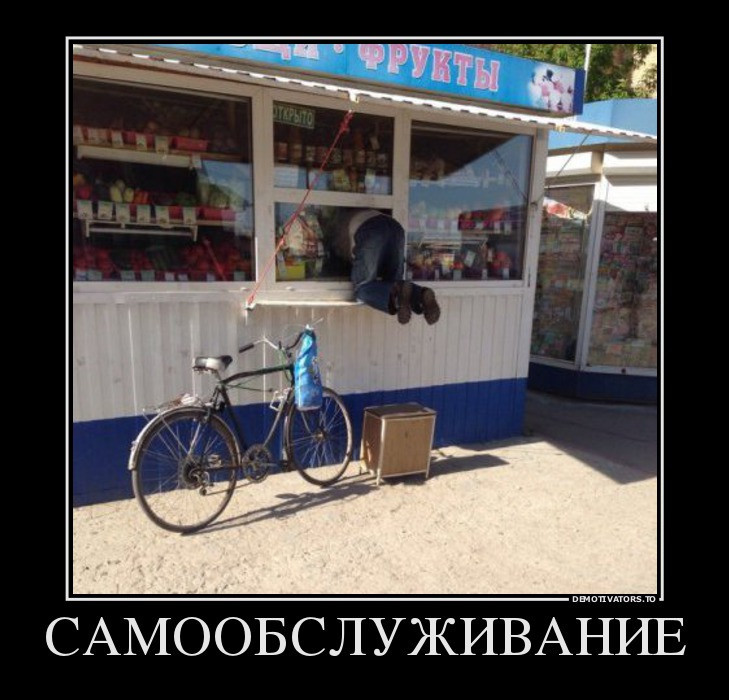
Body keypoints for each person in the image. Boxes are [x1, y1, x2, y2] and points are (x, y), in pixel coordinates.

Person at [334, 209, 440, 325]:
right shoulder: (354, 219)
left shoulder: (342, 236)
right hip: (395, 228)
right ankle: (421, 294)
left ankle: (397, 296)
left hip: (370, 228)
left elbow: (357, 261)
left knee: (362, 288)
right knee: (394, 282)